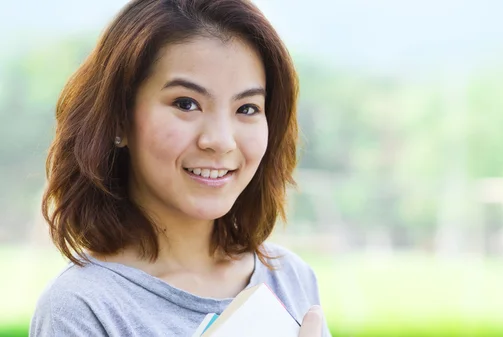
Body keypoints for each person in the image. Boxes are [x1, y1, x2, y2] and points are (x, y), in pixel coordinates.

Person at [29, 0, 329, 336]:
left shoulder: (290, 278)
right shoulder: (82, 309)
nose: (221, 140)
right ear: (119, 120)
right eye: (186, 104)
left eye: (246, 108)